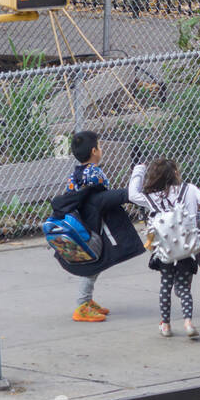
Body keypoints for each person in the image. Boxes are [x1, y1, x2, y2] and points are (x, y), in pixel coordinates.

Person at [128, 157, 200, 338]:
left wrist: (139, 170)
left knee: (165, 286)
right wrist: (195, 222)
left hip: (166, 250)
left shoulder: (152, 197)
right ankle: (188, 322)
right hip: (187, 248)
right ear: (175, 173)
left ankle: (165, 325)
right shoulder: (189, 189)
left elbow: (132, 194)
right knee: (184, 287)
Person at [67, 130, 112, 323]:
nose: (101, 150)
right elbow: (104, 193)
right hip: (92, 225)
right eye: (100, 147)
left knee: (94, 262)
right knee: (93, 263)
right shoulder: (95, 173)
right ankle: (82, 305)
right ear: (94, 151)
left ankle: (88, 300)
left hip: (80, 223)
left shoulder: (75, 174)